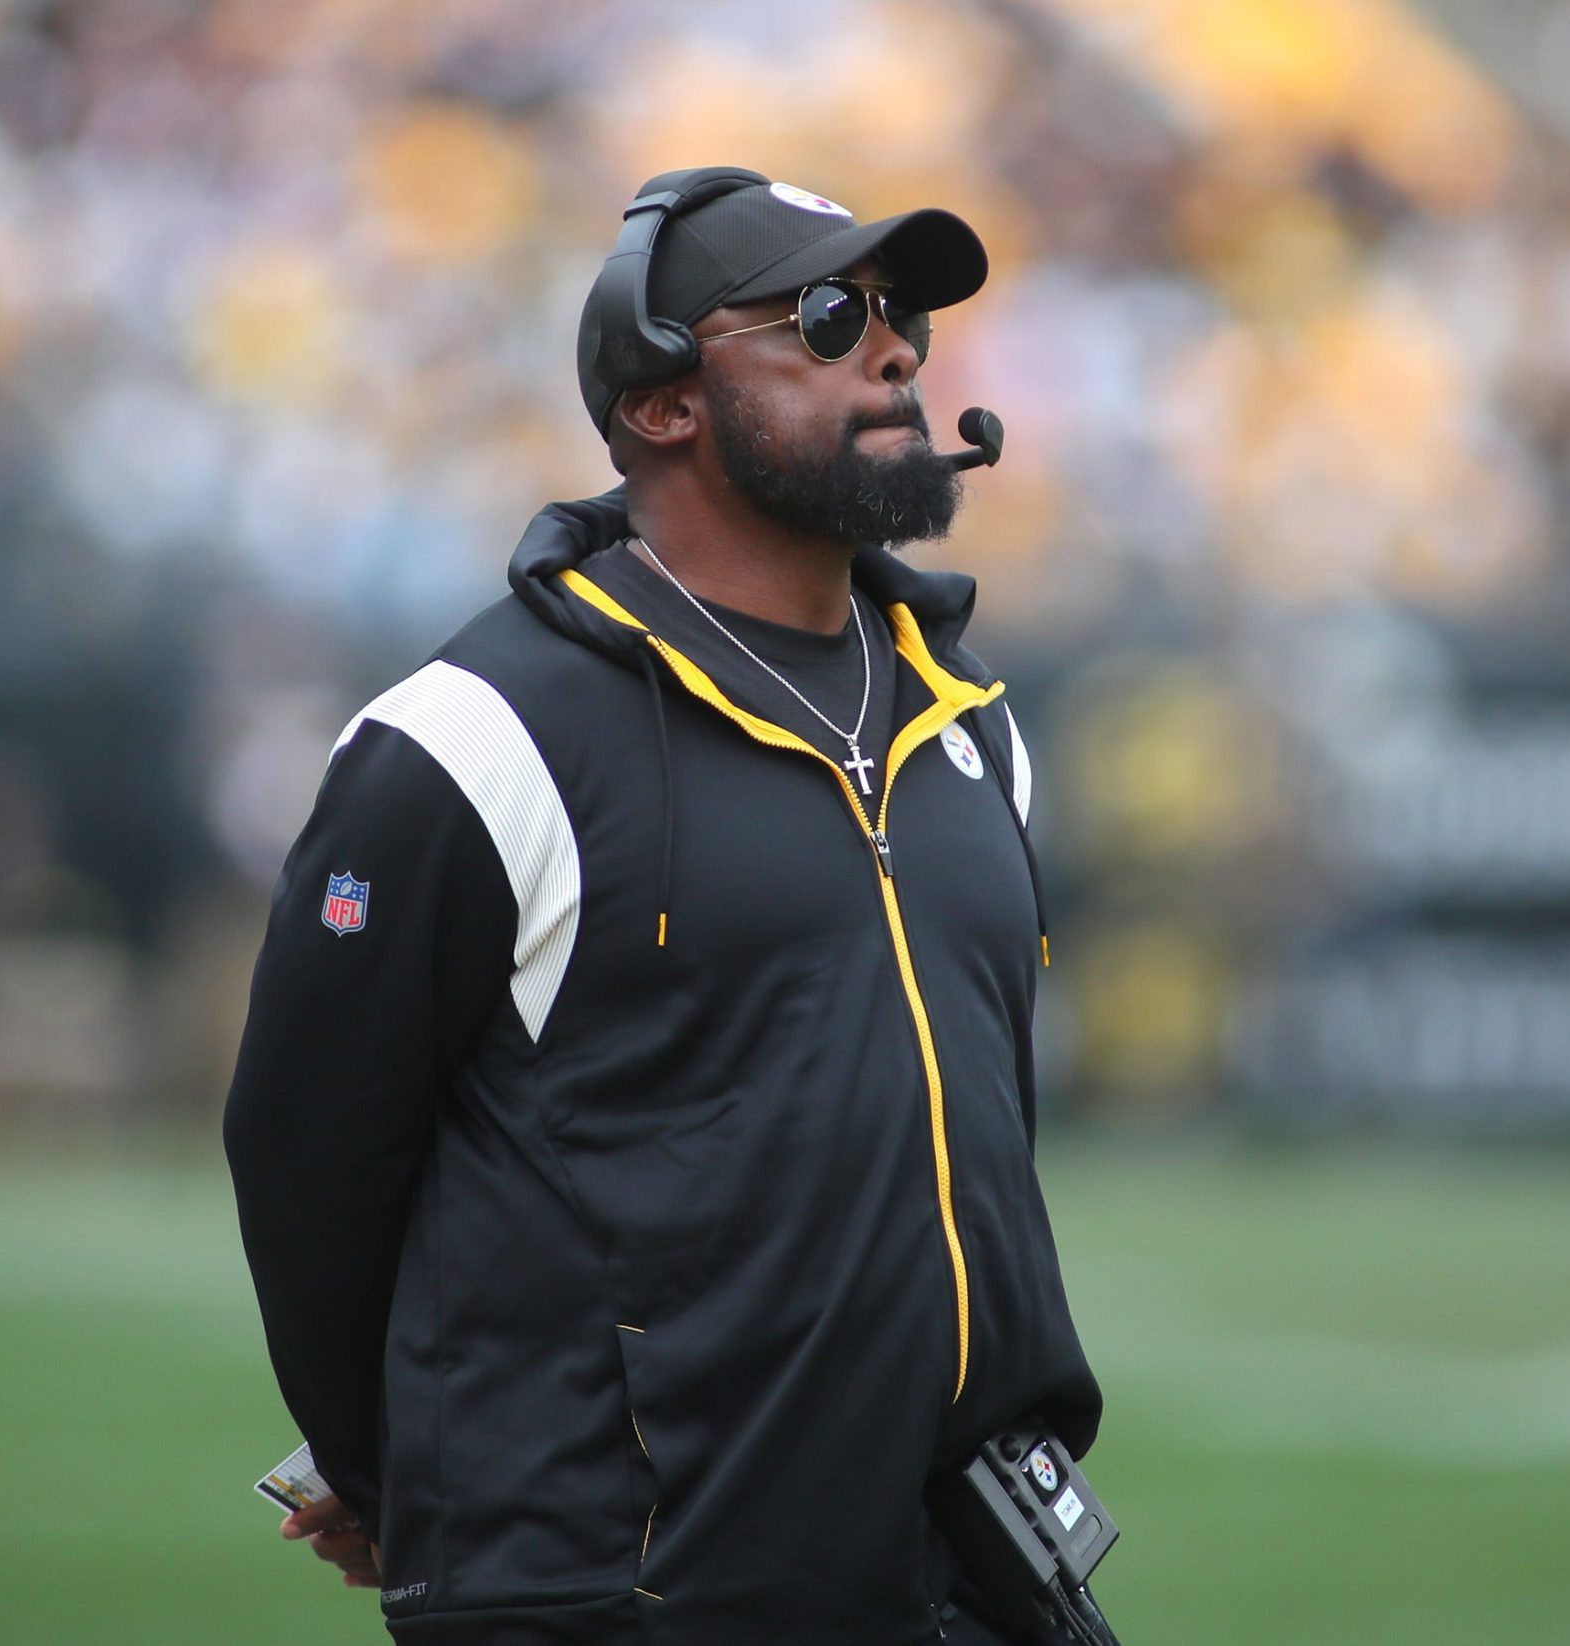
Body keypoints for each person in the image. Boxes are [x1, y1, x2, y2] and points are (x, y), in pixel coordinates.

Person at [223, 165, 1103, 1645]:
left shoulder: (973, 729)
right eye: (828, 316)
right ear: (661, 402)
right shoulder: (473, 736)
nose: (891, 350)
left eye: (904, 319)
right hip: (628, 1593)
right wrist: (395, 1476)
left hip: (966, 1578)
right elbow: (309, 1155)